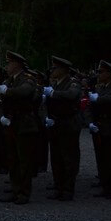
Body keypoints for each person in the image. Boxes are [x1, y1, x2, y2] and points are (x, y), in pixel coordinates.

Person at [0, 51, 39, 205]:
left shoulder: (27, 79)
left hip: (25, 123)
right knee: (12, 159)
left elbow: (25, 92)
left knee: (24, 160)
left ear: (17, 65)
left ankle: (24, 192)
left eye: (9, 63)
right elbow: (0, 101)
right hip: (11, 123)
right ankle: (15, 189)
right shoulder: (10, 80)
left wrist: (7, 91)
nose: (7, 66)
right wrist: (3, 116)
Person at [84, 60, 111, 199]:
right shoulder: (100, 87)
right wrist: (89, 123)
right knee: (101, 158)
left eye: (100, 72)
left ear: (109, 73)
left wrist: (99, 99)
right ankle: (105, 185)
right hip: (98, 126)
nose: (98, 74)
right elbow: (89, 107)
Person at [44, 56, 83, 201]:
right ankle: (58, 186)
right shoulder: (56, 84)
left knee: (69, 158)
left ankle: (68, 189)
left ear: (64, 70)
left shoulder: (72, 83)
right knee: (56, 158)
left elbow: (72, 96)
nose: (52, 70)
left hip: (68, 124)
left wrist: (54, 94)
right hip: (55, 124)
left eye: (55, 68)